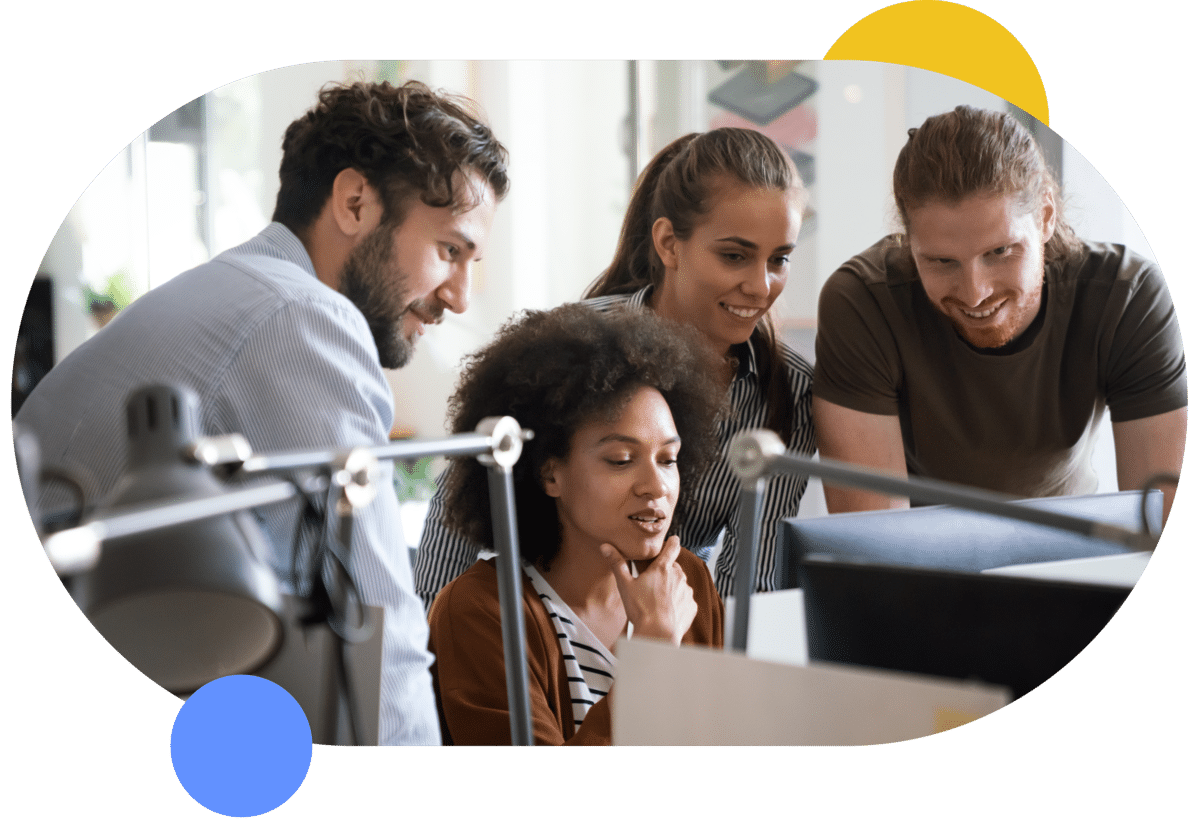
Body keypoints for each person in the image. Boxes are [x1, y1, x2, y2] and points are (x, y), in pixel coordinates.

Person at [16, 80, 510, 745]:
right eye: (449, 250)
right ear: (355, 202)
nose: (458, 297)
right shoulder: (303, 317)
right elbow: (375, 633)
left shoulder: (232, 291)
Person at [417, 127, 814, 603]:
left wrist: (692, 661)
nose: (761, 286)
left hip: (671, 630)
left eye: (780, 259)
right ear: (669, 243)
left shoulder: (789, 395)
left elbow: (751, 584)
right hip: (542, 623)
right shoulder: (569, 344)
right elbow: (460, 511)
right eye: (735, 256)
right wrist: (429, 653)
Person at [813, 105, 1186, 523]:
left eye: (1000, 251)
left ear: (1045, 217)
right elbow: (873, 544)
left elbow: (1161, 524)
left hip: (1080, 560)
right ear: (908, 241)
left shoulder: (1128, 297)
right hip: (920, 569)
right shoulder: (862, 304)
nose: (976, 294)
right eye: (941, 261)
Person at [427, 304, 726, 745]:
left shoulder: (686, 584)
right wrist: (653, 650)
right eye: (621, 460)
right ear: (550, 474)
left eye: (668, 459)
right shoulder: (480, 611)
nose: (656, 486)